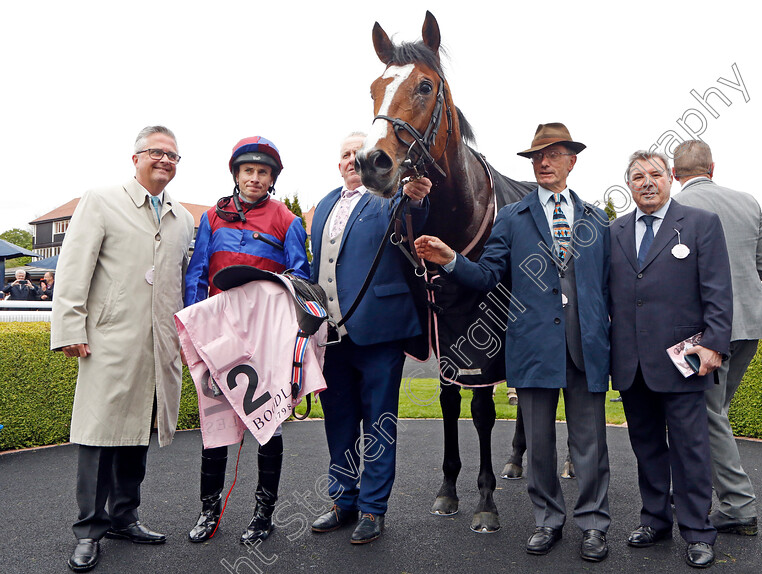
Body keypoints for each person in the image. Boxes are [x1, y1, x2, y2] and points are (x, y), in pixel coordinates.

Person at [416, 122, 612, 562]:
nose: (544, 162)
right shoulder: (512, 218)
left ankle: (595, 525)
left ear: (571, 161)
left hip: (586, 348)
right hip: (533, 349)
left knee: (590, 444)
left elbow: (608, 288)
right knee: (539, 445)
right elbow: (486, 277)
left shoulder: (598, 220)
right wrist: (452, 260)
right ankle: (547, 521)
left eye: (553, 155)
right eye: (537, 156)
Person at [51, 126, 194, 572]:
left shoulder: (182, 217)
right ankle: (89, 531)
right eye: (157, 152)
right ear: (136, 158)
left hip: (157, 342)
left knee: (138, 433)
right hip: (109, 340)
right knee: (99, 436)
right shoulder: (101, 200)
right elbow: (74, 268)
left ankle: (124, 517)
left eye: (173, 155)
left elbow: (178, 281)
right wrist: (71, 327)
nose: (165, 161)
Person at [183, 136, 311, 545]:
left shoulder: (288, 221)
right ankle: (209, 511)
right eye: (248, 171)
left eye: (263, 172)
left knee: (267, 427)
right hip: (219, 339)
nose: (255, 178)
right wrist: (191, 328)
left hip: (265, 342)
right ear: (236, 175)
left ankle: (263, 514)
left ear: (272, 178)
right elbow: (197, 275)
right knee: (216, 426)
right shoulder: (211, 219)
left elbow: (301, 281)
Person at [609, 150, 732, 569]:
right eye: (638, 176)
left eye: (655, 174)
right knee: (646, 448)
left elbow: (717, 290)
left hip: (685, 360)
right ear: (629, 185)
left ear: (671, 178)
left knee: (690, 450)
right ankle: (655, 520)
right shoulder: (615, 231)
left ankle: (698, 531)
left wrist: (714, 344)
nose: (647, 182)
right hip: (631, 363)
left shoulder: (700, 224)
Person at [308, 132, 431, 544]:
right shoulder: (324, 205)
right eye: (344, 154)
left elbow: (413, 213)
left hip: (380, 332)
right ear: (338, 163)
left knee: (379, 424)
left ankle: (373, 509)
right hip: (331, 336)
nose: (350, 161)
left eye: (357, 155)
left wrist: (414, 197)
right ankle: (343, 501)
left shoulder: (388, 197)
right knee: (339, 423)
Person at [674, 139, 762, 538]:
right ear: (712, 168)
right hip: (750, 324)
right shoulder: (748, 201)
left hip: (706, 331)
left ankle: (739, 506)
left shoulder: (680, 210)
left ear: (673, 174)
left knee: (707, 416)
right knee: (712, 414)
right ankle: (690, 488)